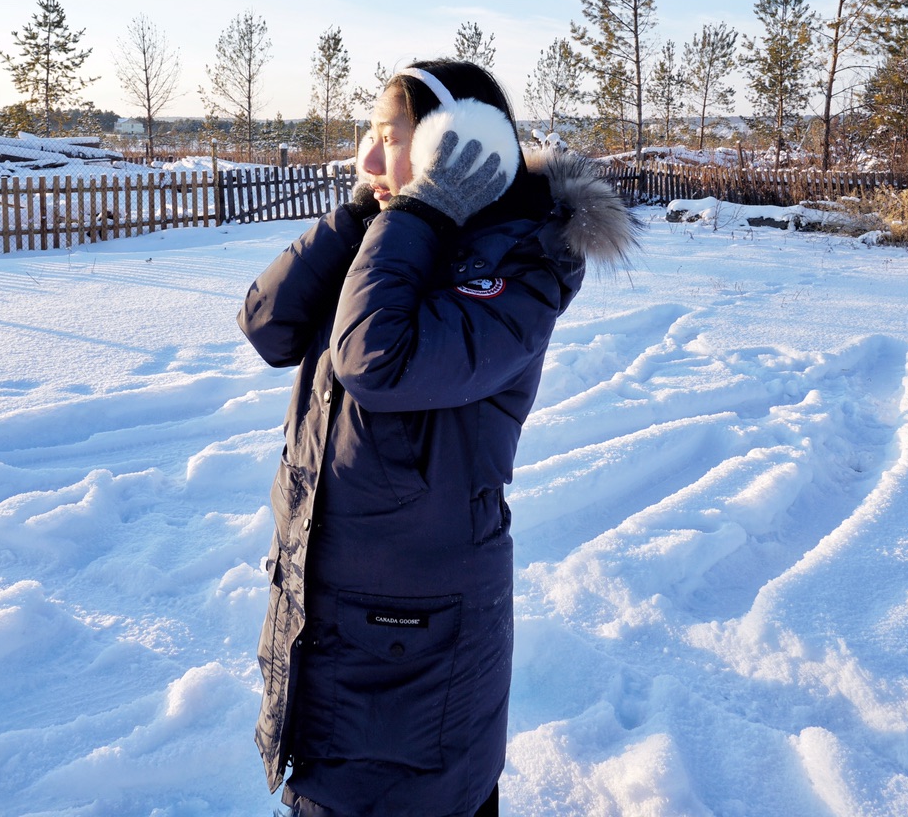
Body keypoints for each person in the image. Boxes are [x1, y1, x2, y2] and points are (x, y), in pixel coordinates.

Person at [239, 58, 634, 817]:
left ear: (456, 146)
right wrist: (369, 209)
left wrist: (413, 214)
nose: (370, 158)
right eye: (370, 137)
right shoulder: (389, 234)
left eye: (394, 139)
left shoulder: (519, 265)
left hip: (415, 653)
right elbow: (268, 324)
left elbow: (378, 360)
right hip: (326, 620)